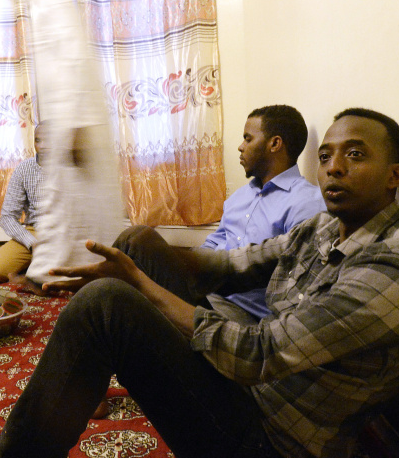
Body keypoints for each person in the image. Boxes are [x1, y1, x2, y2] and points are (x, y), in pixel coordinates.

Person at [0, 108, 399, 458]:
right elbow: (231, 264)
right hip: (245, 392)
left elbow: (259, 354)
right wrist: (142, 254)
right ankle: (78, 382)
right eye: (327, 155)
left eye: (355, 155)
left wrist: (138, 284)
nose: (333, 169)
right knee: (136, 239)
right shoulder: (326, 226)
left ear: (395, 176)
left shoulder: (392, 269)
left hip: (267, 451)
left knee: (106, 305)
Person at [118, 105, 325, 321]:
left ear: (275, 144)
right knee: (125, 279)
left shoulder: (306, 202)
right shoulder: (239, 198)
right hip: (207, 293)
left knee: (138, 241)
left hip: (245, 314)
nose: (240, 147)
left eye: (248, 139)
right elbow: (214, 243)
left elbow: (296, 281)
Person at [0, 0, 124, 286]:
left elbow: (73, 60)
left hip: (75, 122)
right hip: (64, 122)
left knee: (74, 205)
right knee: (66, 204)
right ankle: (56, 275)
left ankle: (58, 276)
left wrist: (76, 127)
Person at [0, 125, 44, 284]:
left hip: (66, 233)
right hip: (36, 232)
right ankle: (36, 267)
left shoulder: (70, 167)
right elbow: (7, 217)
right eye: (38, 140)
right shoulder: (24, 169)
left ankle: (37, 271)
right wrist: (31, 243)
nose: (43, 146)